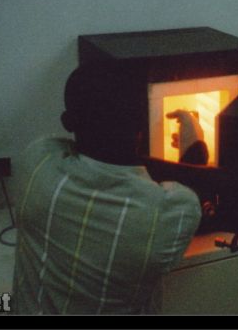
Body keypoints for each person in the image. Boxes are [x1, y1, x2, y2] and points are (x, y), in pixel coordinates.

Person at [11, 64, 207, 314]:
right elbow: (193, 190)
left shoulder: (35, 164)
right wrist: (195, 148)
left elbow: (66, 148)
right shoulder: (162, 215)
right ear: (142, 123)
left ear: (67, 123)